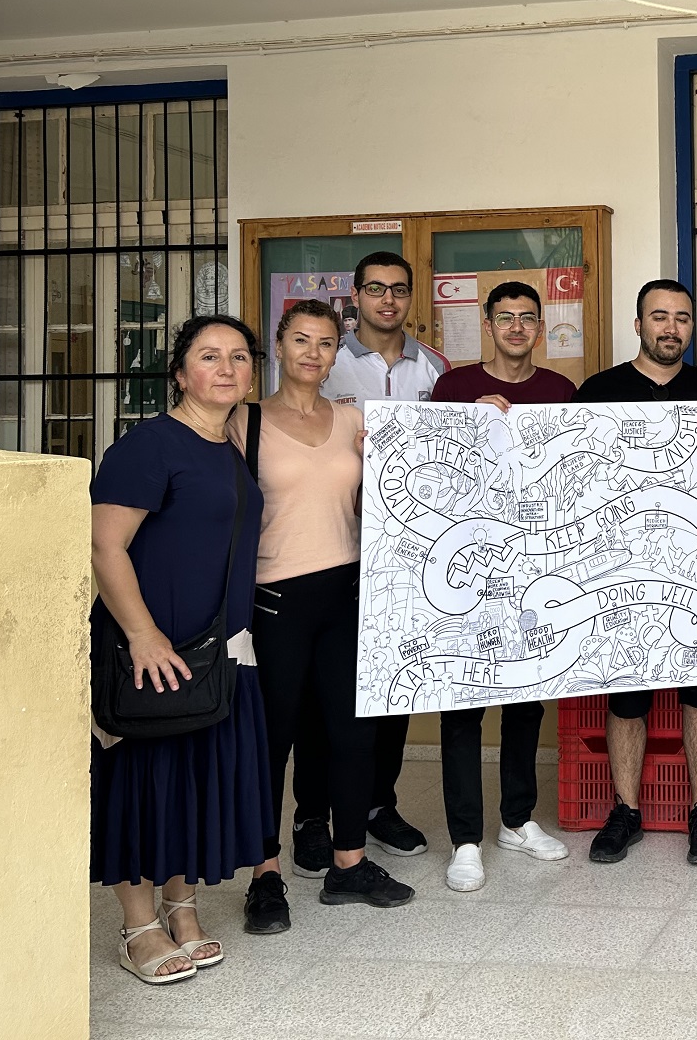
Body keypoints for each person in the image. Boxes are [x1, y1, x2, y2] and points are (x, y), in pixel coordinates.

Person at [90, 316, 272, 983]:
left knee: (194, 782)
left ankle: (182, 907)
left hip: (217, 654)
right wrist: (142, 634)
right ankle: (138, 926)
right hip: (155, 650)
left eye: (239, 357)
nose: (227, 368)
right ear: (179, 372)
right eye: (209, 356)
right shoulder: (149, 446)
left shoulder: (228, 446)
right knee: (145, 784)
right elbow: (104, 544)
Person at [574, 279, 697, 867]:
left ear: (691, 327)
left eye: (682, 318)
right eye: (659, 317)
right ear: (638, 325)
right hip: (618, 573)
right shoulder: (597, 392)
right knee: (626, 698)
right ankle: (626, 811)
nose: (671, 327)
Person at [231, 301, 413, 935]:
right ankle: (264, 876)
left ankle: (349, 864)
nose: (313, 352)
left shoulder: (354, 421)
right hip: (275, 600)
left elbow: (399, 488)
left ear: (338, 353)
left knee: (353, 736)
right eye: (301, 340)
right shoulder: (244, 422)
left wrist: (483, 418)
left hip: (347, 593)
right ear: (279, 346)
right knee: (273, 741)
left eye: (326, 342)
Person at [428, 281, 575, 891]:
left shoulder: (560, 391)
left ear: (540, 328)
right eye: (506, 317)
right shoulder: (453, 387)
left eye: (528, 318)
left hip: (534, 569)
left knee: (525, 701)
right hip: (467, 569)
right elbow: (433, 469)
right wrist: (470, 423)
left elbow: (574, 478)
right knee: (462, 706)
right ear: (487, 324)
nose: (517, 327)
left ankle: (517, 819)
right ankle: (465, 839)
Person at [310, 250, 446, 866]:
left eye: (398, 289)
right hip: (335, 544)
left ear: (410, 297)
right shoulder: (325, 362)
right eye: (375, 289)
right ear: (355, 296)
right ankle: (312, 815)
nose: (387, 300)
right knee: (327, 689)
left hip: (408, 552)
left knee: (396, 684)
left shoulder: (435, 367)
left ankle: (377, 805)